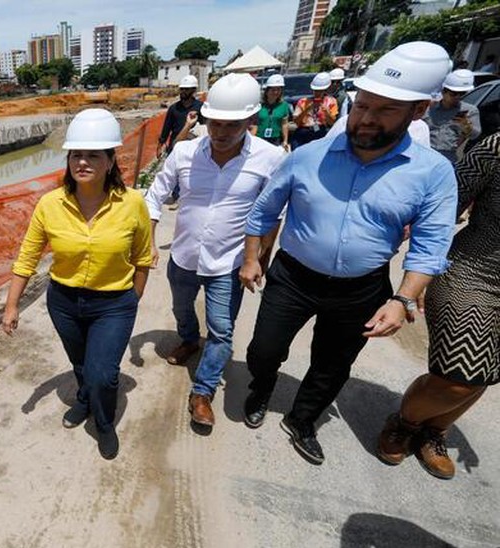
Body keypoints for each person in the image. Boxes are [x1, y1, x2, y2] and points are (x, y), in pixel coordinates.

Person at [239, 41, 458, 465]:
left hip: (361, 288)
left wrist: (402, 298)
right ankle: (261, 389)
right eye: (362, 106)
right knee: (264, 350)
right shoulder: (308, 156)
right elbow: (264, 211)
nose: (367, 119)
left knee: (333, 364)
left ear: (418, 111)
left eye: (385, 111)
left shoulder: (432, 173)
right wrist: (252, 258)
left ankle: (303, 419)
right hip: (293, 277)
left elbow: (432, 244)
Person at [2, 108, 152, 460]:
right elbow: (27, 258)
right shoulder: (49, 204)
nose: (82, 162)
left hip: (113, 303)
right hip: (64, 302)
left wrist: (134, 299)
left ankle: (104, 422)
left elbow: (143, 257)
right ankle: (84, 399)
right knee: (82, 364)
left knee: (103, 373)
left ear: (111, 160)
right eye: (76, 155)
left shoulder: (133, 203)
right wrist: (11, 307)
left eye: (93, 155)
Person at [146, 74, 285, 428]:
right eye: (215, 123)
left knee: (222, 329)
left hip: (229, 261)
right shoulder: (185, 151)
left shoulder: (270, 159)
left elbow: (274, 213)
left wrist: (259, 259)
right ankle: (190, 340)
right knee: (181, 309)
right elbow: (156, 194)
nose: (220, 132)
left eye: (231, 125)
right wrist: (148, 240)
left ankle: (203, 391)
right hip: (184, 256)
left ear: (250, 121)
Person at [377, 132, 499, 480]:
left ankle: (434, 432)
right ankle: (405, 423)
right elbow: (444, 208)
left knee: (486, 375)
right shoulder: (495, 148)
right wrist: (418, 276)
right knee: (460, 377)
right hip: (474, 274)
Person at [424, 68, 481, 164]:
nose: (458, 97)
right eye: (454, 94)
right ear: (443, 92)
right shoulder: (429, 108)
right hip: (425, 153)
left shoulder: (470, 111)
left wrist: (466, 125)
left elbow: (475, 135)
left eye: (462, 94)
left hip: (448, 158)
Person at [158, 75, 204, 158]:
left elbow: (205, 129)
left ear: (194, 90)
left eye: (186, 89)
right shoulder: (173, 108)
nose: (183, 91)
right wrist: (160, 145)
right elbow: (166, 128)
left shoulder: (201, 108)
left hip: (194, 150)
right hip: (175, 148)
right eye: (181, 89)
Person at [291, 72, 339, 148]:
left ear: (325, 90)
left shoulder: (331, 101)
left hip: (320, 131)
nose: (317, 93)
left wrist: (326, 112)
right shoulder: (303, 101)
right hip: (303, 132)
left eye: (320, 91)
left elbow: (332, 123)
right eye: (315, 90)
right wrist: (306, 110)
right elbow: (296, 122)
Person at [252, 74, 292, 151]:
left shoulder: (284, 106)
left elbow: (284, 124)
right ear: (267, 91)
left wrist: (285, 140)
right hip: (259, 139)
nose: (275, 92)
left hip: (275, 139)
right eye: (273, 90)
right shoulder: (258, 105)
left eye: (278, 89)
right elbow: (254, 124)